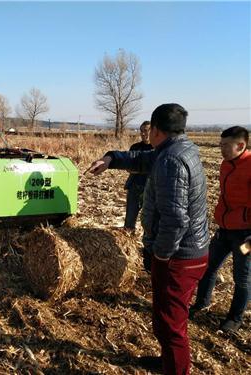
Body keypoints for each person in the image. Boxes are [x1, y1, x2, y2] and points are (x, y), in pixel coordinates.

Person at [89, 103, 209, 375]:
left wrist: (161, 255)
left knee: (171, 324)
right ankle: (168, 361)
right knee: (166, 319)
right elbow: (141, 160)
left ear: (155, 129)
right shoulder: (180, 149)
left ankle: (175, 369)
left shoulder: (170, 160)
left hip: (179, 256)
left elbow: (176, 219)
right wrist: (111, 159)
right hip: (189, 251)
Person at [190, 126, 250, 332]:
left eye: (226, 145)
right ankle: (202, 303)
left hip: (246, 238)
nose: (221, 149)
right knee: (209, 267)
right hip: (225, 231)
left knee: (242, 276)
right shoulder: (226, 164)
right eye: (220, 144)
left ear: (240, 145)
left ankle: (235, 318)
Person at [124, 121, 153, 230]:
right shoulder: (135, 147)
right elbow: (128, 168)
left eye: (146, 130)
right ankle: (127, 241)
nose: (143, 134)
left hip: (151, 190)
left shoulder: (157, 149)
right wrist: (146, 169)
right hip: (134, 187)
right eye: (141, 131)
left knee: (149, 222)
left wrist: (138, 168)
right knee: (129, 221)